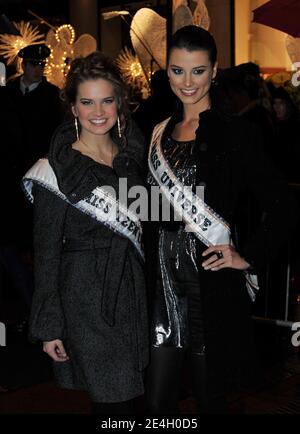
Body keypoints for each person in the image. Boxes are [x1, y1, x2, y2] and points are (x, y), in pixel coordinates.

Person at [145, 25, 298, 414]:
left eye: (198, 71)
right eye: (178, 70)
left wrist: (247, 255)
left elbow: (284, 203)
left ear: (214, 71)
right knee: (157, 400)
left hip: (208, 284)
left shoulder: (237, 134)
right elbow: (148, 208)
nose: (188, 82)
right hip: (161, 282)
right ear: (167, 71)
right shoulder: (158, 133)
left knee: (209, 396)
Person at [22, 51, 149, 414]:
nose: (98, 111)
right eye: (87, 101)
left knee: (130, 399)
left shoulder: (131, 156)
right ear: (73, 108)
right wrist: (49, 326)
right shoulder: (56, 169)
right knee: (115, 401)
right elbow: (45, 252)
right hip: (85, 298)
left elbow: (148, 219)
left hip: (132, 291)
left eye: (107, 100)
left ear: (120, 103)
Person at [5, 43, 63, 171]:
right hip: (9, 162)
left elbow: (58, 129)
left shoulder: (52, 94)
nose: (38, 69)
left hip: (38, 163)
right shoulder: (8, 91)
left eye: (42, 65)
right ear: (23, 65)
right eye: (33, 64)